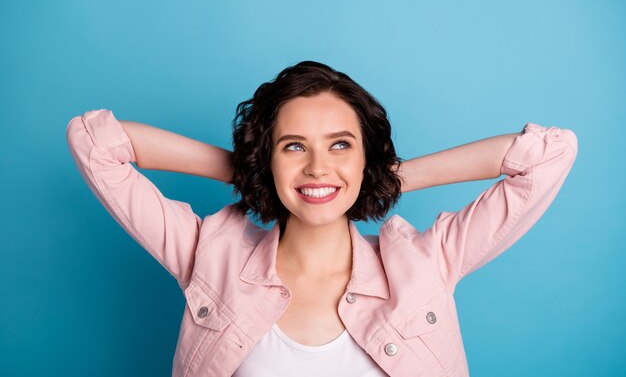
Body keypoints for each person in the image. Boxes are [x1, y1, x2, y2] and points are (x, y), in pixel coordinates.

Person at [66, 61, 578, 377]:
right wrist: (254, 172)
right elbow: (95, 143)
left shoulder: (427, 265)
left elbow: (548, 154)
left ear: (365, 155)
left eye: (340, 145)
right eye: (293, 147)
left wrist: (381, 176)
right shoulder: (208, 257)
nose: (317, 167)